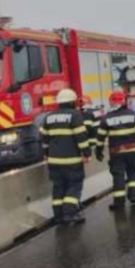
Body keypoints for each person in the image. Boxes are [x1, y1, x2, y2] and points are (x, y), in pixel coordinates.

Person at [40, 89, 91, 225]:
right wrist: (86, 154)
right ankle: (69, 214)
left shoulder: (48, 117)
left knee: (58, 187)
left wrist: (45, 154)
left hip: (54, 162)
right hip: (72, 161)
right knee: (74, 186)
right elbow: (81, 138)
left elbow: (44, 139)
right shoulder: (75, 116)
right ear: (72, 102)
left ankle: (58, 216)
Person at [96, 91, 135, 211]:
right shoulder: (133, 115)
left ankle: (119, 203)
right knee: (133, 173)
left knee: (118, 177)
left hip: (116, 153)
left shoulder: (106, 118)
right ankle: (133, 196)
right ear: (124, 101)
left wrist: (98, 151)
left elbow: (100, 137)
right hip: (132, 151)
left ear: (112, 102)